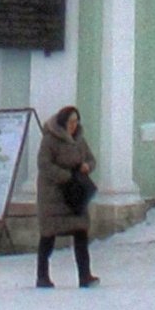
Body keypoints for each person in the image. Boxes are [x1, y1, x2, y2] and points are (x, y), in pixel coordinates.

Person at [34, 105, 98, 292]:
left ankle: (85, 275)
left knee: (80, 233)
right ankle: (42, 276)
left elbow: (91, 159)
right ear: (62, 122)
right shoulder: (50, 140)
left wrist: (87, 166)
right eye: (70, 121)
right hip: (54, 196)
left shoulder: (79, 140)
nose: (73, 125)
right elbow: (44, 164)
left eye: (76, 121)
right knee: (48, 236)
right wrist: (65, 176)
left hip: (75, 195)